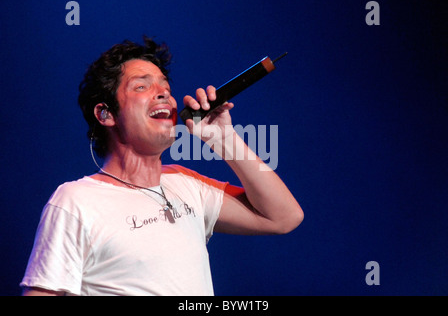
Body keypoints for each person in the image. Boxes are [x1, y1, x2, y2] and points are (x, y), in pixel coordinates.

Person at [20, 36, 303, 296]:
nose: (163, 94)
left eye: (165, 87)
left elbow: (283, 217)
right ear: (105, 114)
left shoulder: (185, 183)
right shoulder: (76, 201)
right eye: (142, 86)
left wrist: (223, 137)